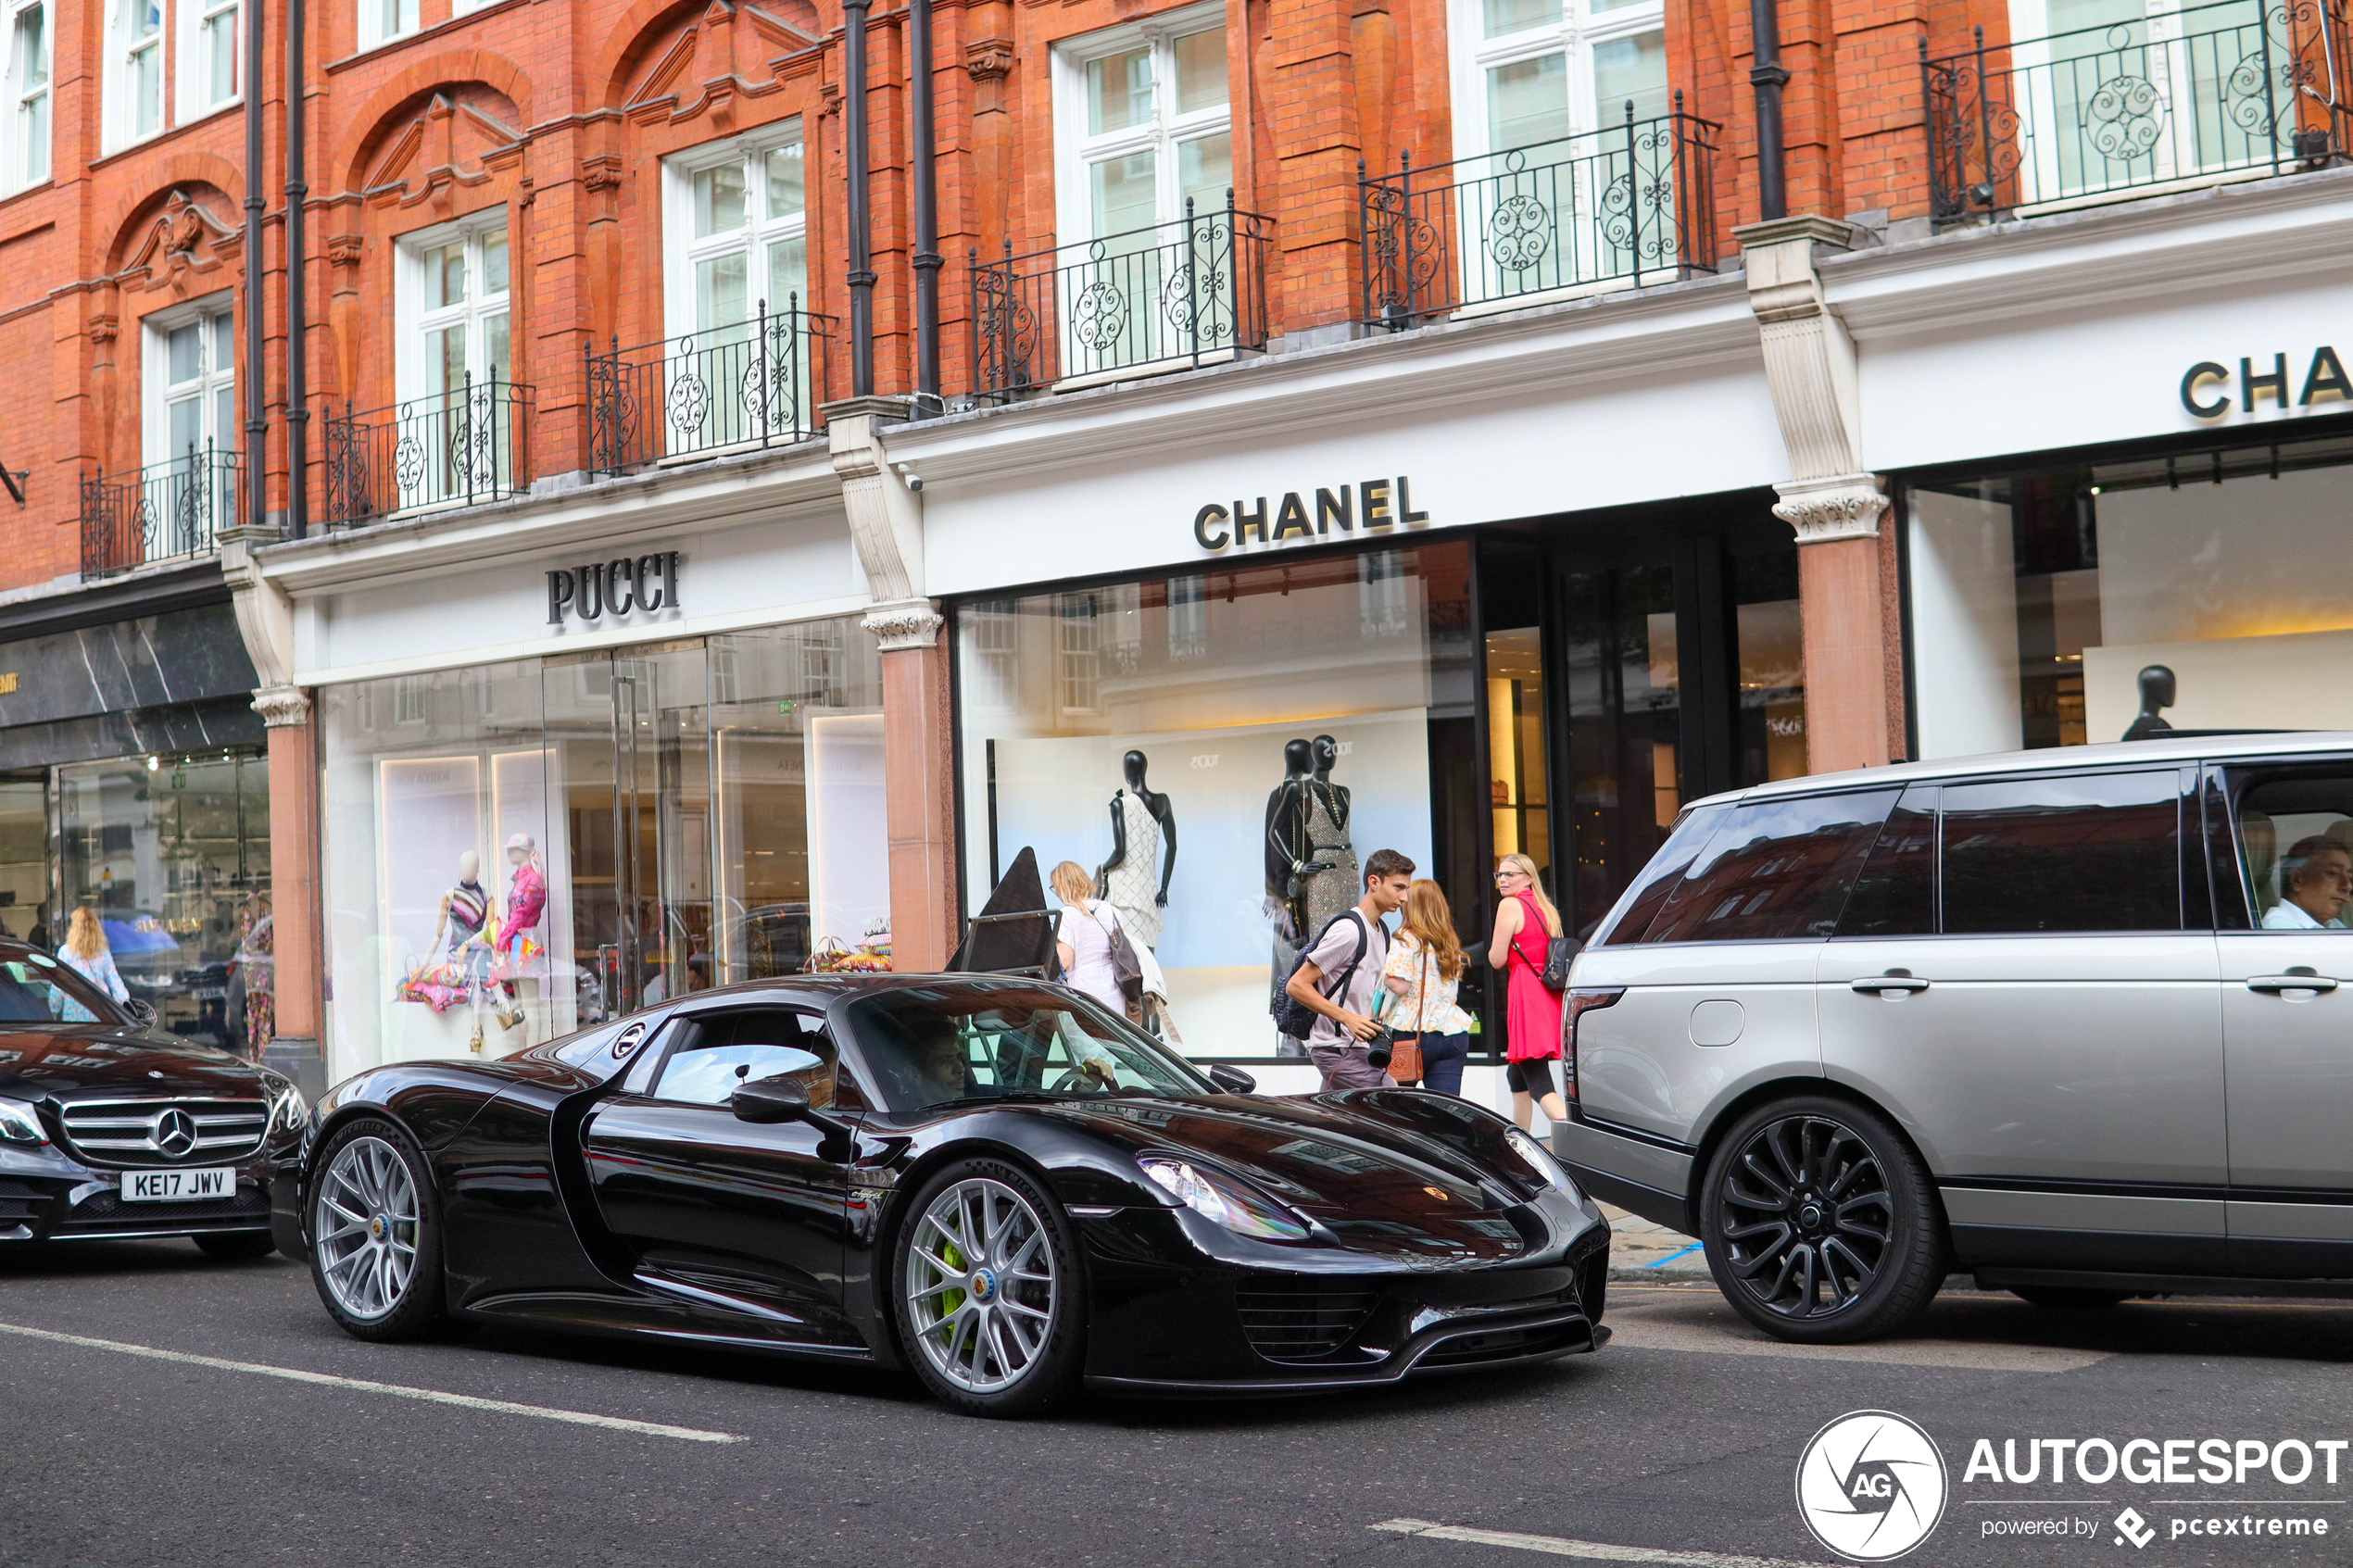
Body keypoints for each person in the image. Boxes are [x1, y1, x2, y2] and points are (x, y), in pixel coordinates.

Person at [1287, 848, 1415, 1091]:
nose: (1405, 897)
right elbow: (1296, 985)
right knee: (1389, 1097)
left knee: (1336, 1118)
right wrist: (1347, 1018)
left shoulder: (1381, 932)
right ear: (1374, 882)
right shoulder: (1348, 931)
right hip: (1334, 1048)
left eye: (1406, 888)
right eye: (1399, 887)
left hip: (1355, 1046)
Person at [1490, 852, 1567, 1131]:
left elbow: (1496, 959)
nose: (1503, 880)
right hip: (1547, 996)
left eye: (1510, 874)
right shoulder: (1545, 908)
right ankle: (1516, 1146)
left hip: (1526, 994)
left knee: (1539, 1085)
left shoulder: (1509, 905)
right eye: (1499, 874)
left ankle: (1580, 1142)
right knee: (1518, 1077)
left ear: (1529, 878)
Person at [1380, 879, 1475, 1095]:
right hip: (1453, 1032)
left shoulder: (1406, 938)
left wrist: (1379, 970)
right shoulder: (1448, 941)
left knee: (1397, 1106)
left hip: (1412, 1031)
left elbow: (1399, 984)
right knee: (1446, 1107)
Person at [1051, 859, 1134, 1018]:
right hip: (1114, 990)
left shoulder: (1067, 914)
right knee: (1112, 1041)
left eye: (1055, 887)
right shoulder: (1110, 910)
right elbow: (1126, 946)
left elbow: (1065, 961)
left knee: (1087, 1041)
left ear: (1061, 887)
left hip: (1084, 993)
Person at [2265, 834, 2353, 928]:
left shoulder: (2334, 925)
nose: (2348, 886)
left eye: (2350, 877)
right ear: (2297, 880)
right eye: (2333, 873)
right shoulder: (2279, 928)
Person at [57, 907, 129, 1022]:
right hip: (101, 1011)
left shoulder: (65, 952)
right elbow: (115, 981)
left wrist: (54, 1008)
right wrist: (123, 1006)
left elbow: (59, 985)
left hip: (74, 1011)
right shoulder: (103, 953)